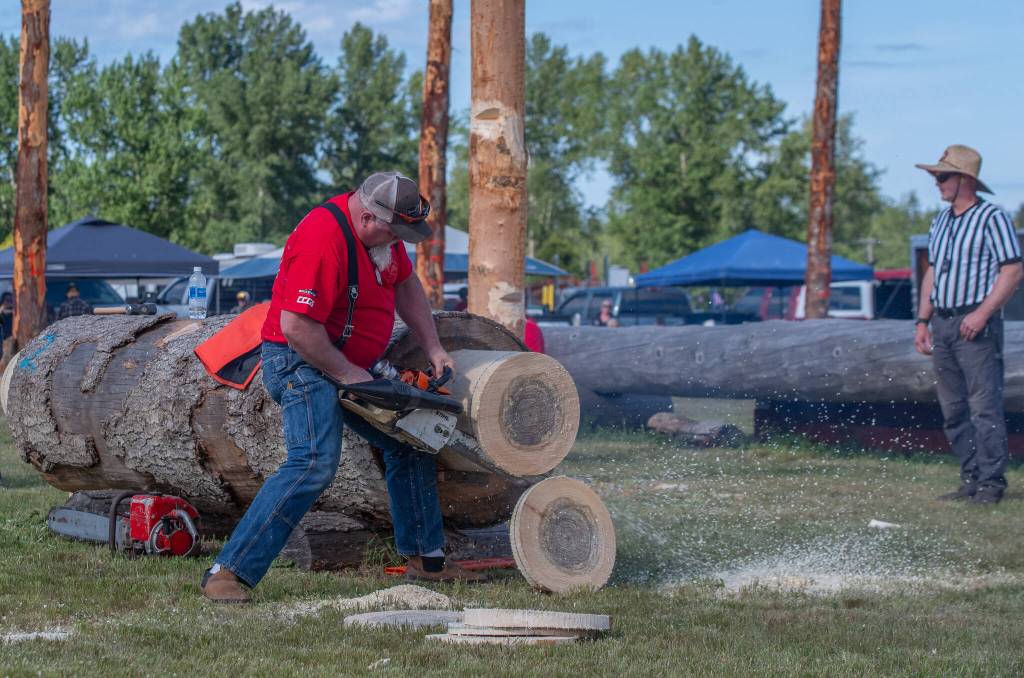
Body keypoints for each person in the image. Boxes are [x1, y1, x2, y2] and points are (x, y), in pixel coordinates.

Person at [201, 172, 484, 604]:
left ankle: (427, 560)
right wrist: (352, 375)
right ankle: (228, 571)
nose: (400, 241)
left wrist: (434, 347)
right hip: (300, 360)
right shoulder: (322, 238)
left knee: (413, 438)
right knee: (313, 461)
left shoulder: (383, 238)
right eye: (395, 231)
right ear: (368, 216)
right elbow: (296, 327)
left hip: (351, 360)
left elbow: (405, 284)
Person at [913, 144, 1023, 505]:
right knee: (954, 408)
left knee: (983, 406)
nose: (937, 183)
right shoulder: (940, 221)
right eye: (936, 176)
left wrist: (982, 313)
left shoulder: (992, 217)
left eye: (942, 176)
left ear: (965, 179)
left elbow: (1012, 269)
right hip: (943, 321)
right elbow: (932, 273)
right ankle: (972, 477)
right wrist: (922, 320)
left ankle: (991, 482)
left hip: (975, 321)